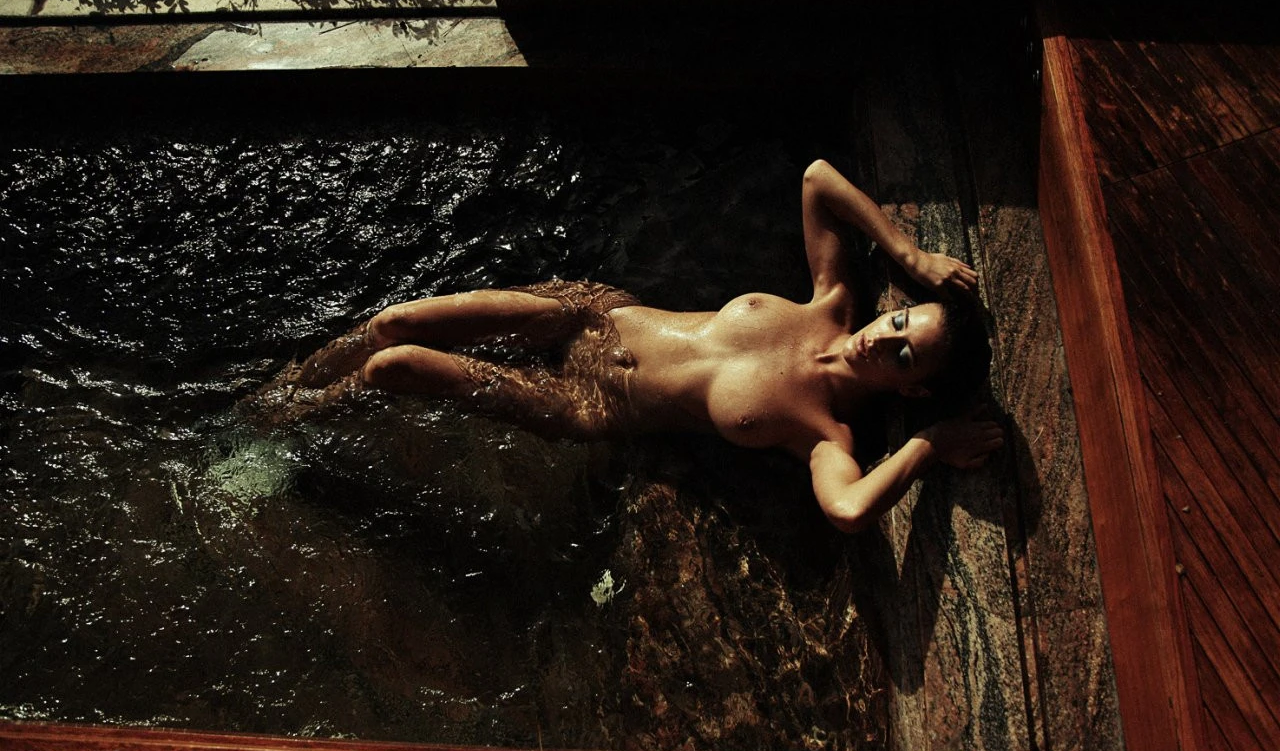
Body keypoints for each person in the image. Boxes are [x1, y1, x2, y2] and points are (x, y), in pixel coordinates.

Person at [261, 159, 1001, 534]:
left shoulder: (824, 433)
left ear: (912, 389)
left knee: (394, 366)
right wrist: (908, 253)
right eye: (902, 323)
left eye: (906, 356)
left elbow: (847, 510)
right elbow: (816, 179)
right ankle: (285, 387)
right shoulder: (831, 300)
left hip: (589, 403)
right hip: (588, 320)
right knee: (391, 323)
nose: (885, 340)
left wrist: (928, 445)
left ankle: (294, 419)